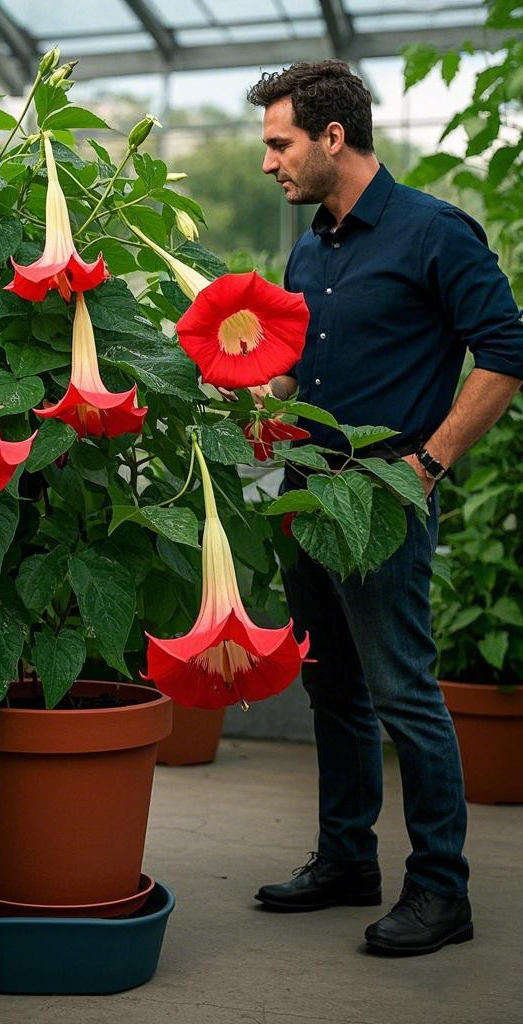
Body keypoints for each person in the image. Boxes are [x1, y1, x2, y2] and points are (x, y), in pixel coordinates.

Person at [244, 60, 523, 956]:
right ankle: (346, 859)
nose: (268, 164)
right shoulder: (311, 243)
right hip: (305, 492)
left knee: (404, 692)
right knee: (332, 686)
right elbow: (303, 352)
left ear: (334, 137)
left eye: (279, 143)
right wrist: (270, 400)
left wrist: (428, 465)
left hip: (384, 495)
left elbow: (507, 353)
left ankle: (443, 891)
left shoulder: (435, 232)